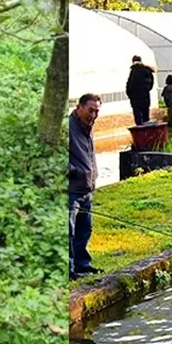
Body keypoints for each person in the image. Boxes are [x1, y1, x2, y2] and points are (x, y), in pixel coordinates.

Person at [68, 93, 101, 281]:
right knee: (69, 231)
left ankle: (83, 265)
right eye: (90, 110)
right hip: (72, 188)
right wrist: (74, 171)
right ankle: (69, 268)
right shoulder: (69, 127)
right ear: (79, 108)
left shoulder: (88, 127)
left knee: (84, 229)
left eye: (96, 111)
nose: (93, 115)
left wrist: (93, 175)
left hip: (87, 189)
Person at [125, 55, 155, 126]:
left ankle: (140, 134)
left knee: (138, 119)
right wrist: (146, 90)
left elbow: (129, 85)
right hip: (145, 97)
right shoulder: (147, 71)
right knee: (146, 118)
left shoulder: (133, 71)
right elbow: (151, 84)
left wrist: (130, 95)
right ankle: (147, 134)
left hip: (135, 99)